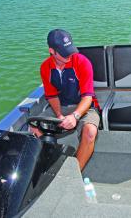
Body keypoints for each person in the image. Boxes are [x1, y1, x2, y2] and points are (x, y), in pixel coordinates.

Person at [32, 29, 100, 171]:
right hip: (61, 106)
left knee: (90, 131)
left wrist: (75, 116)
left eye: (69, 49)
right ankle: (48, 166)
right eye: (64, 52)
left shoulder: (82, 62)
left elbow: (88, 97)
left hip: (84, 107)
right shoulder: (45, 67)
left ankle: (75, 173)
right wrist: (59, 115)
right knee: (34, 128)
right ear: (52, 51)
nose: (69, 55)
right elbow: (51, 96)